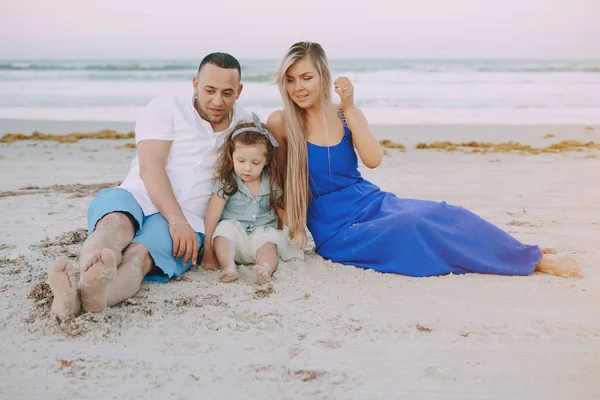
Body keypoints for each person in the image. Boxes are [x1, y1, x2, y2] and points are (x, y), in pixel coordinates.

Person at [266, 41, 581, 279]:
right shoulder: (282, 122)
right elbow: (277, 183)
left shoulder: (345, 115)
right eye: (290, 80)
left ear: (323, 75)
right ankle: (532, 262)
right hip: (336, 228)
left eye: (305, 77)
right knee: (411, 225)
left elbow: (373, 160)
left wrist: (349, 106)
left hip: (371, 202)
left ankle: (520, 251)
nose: (298, 88)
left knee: (443, 213)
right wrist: (290, 229)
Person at [47, 52, 251, 320]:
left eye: (227, 93)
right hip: (138, 194)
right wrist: (175, 221)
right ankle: (86, 282)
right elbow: (150, 169)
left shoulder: (245, 123)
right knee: (114, 225)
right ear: (195, 84)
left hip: (190, 217)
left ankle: (96, 297)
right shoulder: (166, 107)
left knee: (138, 257)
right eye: (209, 90)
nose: (217, 101)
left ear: (239, 91)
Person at [201, 114, 304, 285]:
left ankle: (264, 268)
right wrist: (207, 252)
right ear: (231, 156)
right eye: (241, 161)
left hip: (260, 238)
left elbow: (282, 213)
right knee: (224, 230)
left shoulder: (270, 182)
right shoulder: (228, 182)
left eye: (255, 162)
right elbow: (212, 217)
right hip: (234, 241)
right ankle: (228, 266)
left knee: (269, 242)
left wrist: (297, 229)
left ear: (266, 161)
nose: (247, 168)